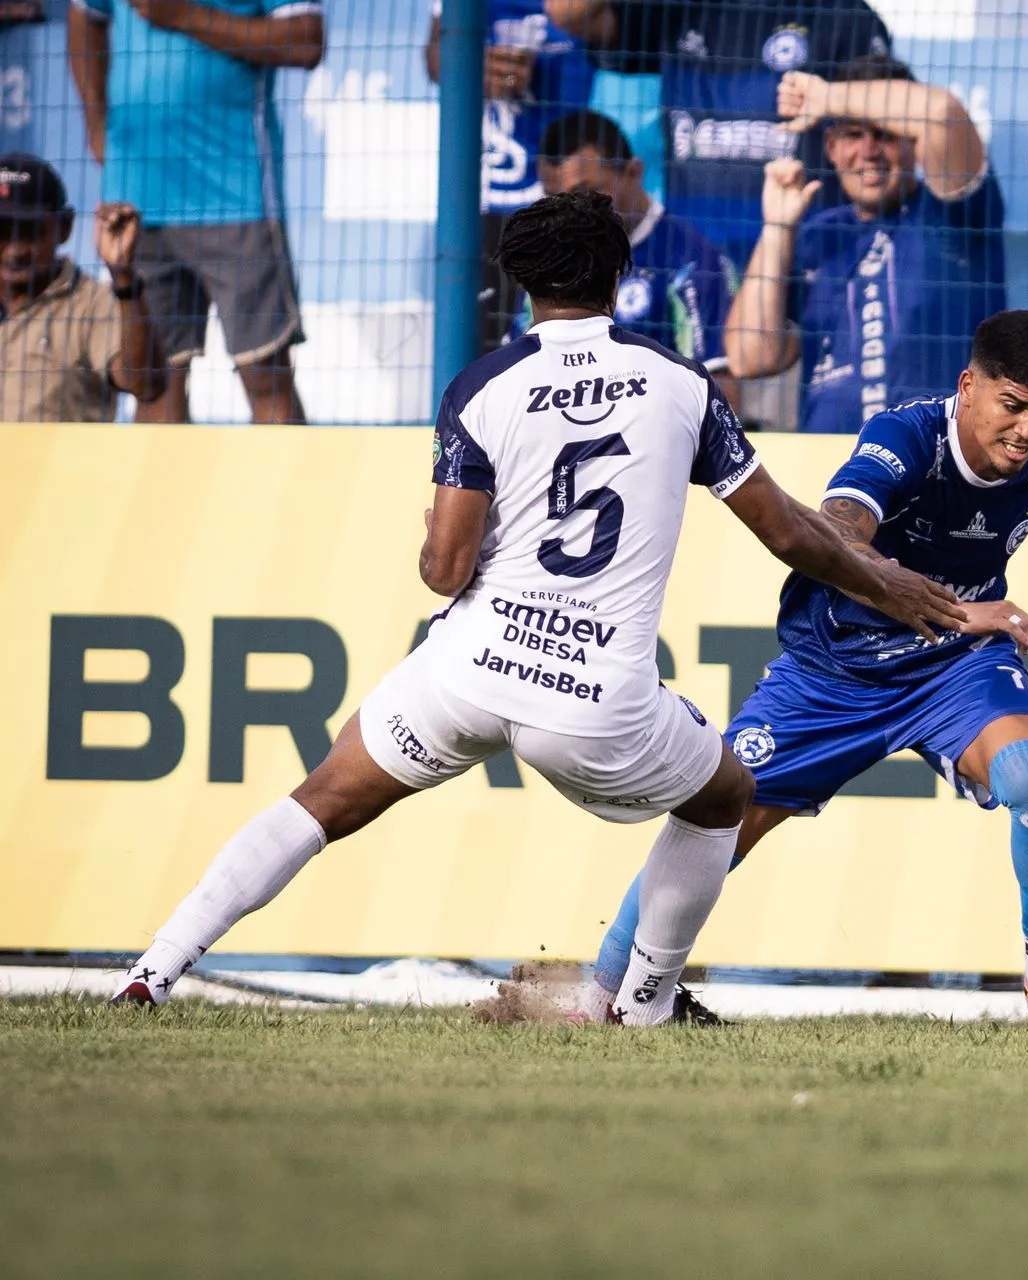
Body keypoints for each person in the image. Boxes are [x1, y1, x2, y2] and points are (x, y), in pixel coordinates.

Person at [109, 190, 967, 1022]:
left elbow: (444, 572)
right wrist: (884, 582)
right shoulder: (681, 384)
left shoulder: (482, 385)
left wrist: (433, 541)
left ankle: (156, 968)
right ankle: (646, 1002)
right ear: (621, 276)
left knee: (322, 798)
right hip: (594, 701)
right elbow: (787, 534)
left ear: (520, 281)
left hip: (469, 674)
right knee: (724, 795)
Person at [578, 310, 1028, 1029]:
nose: (1027, 430)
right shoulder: (907, 438)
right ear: (969, 387)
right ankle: (601, 994)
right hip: (834, 669)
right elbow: (833, 528)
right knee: (717, 824)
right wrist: (957, 608)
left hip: (955, 667)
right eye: (1012, 406)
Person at [67, 0, 324, 425]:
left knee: (265, 377)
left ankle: (289, 493)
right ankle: (161, 495)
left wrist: (184, 15)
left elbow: (305, 41)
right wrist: (95, 120)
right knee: (154, 385)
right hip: (137, 196)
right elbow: (84, 14)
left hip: (235, 191)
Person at [724, 54, 1005, 434]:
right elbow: (748, 359)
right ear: (831, 147)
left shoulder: (951, 209)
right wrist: (776, 228)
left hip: (938, 470)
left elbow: (940, 112)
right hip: (831, 473)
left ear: (912, 139)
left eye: (884, 134)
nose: (869, 150)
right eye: (853, 135)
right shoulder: (817, 235)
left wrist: (827, 97)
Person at [546, 0, 892, 264]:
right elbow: (570, 12)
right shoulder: (678, 8)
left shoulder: (843, 14)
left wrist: (831, 97)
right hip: (701, 274)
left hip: (811, 268)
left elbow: (890, 115)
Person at [424, 0, 593, 357]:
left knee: (566, 343)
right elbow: (436, 57)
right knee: (482, 352)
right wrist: (473, 63)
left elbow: (615, 37)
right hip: (485, 203)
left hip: (564, 200)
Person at [512, 109, 736, 378]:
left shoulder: (692, 260)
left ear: (633, 172)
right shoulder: (548, 260)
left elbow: (718, 388)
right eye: (553, 199)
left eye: (583, 193)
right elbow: (516, 369)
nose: (567, 214)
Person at [1, 152, 166, 421]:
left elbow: (145, 385)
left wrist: (124, 278)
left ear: (64, 226)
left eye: (31, 230)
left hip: (61, 464)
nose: (14, 249)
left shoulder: (93, 301)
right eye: (1, 231)